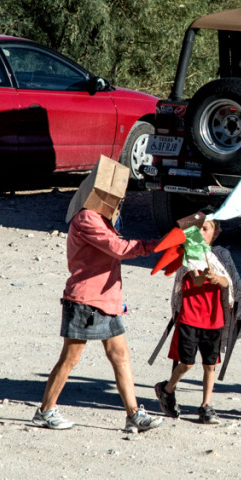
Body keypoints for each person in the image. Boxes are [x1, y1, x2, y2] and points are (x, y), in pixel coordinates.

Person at [33, 164, 164, 433]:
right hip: (85, 301)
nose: (119, 200)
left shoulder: (100, 219)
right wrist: (155, 244)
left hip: (107, 300)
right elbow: (118, 249)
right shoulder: (87, 219)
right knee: (70, 358)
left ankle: (133, 414)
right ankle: (45, 411)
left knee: (120, 355)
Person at [154, 214, 241, 424]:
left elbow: (229, 284)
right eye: (197, 229)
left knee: (210, 365)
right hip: (191, 317)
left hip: (214, 319)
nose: (201, 233)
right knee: (187, 363)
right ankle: (167, 388)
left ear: (216, 233)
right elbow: (195, 279)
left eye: (206, 229)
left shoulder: (221, 256)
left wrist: (219, 279)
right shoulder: (188, 255)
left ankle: (206, 405)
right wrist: (205, 276)